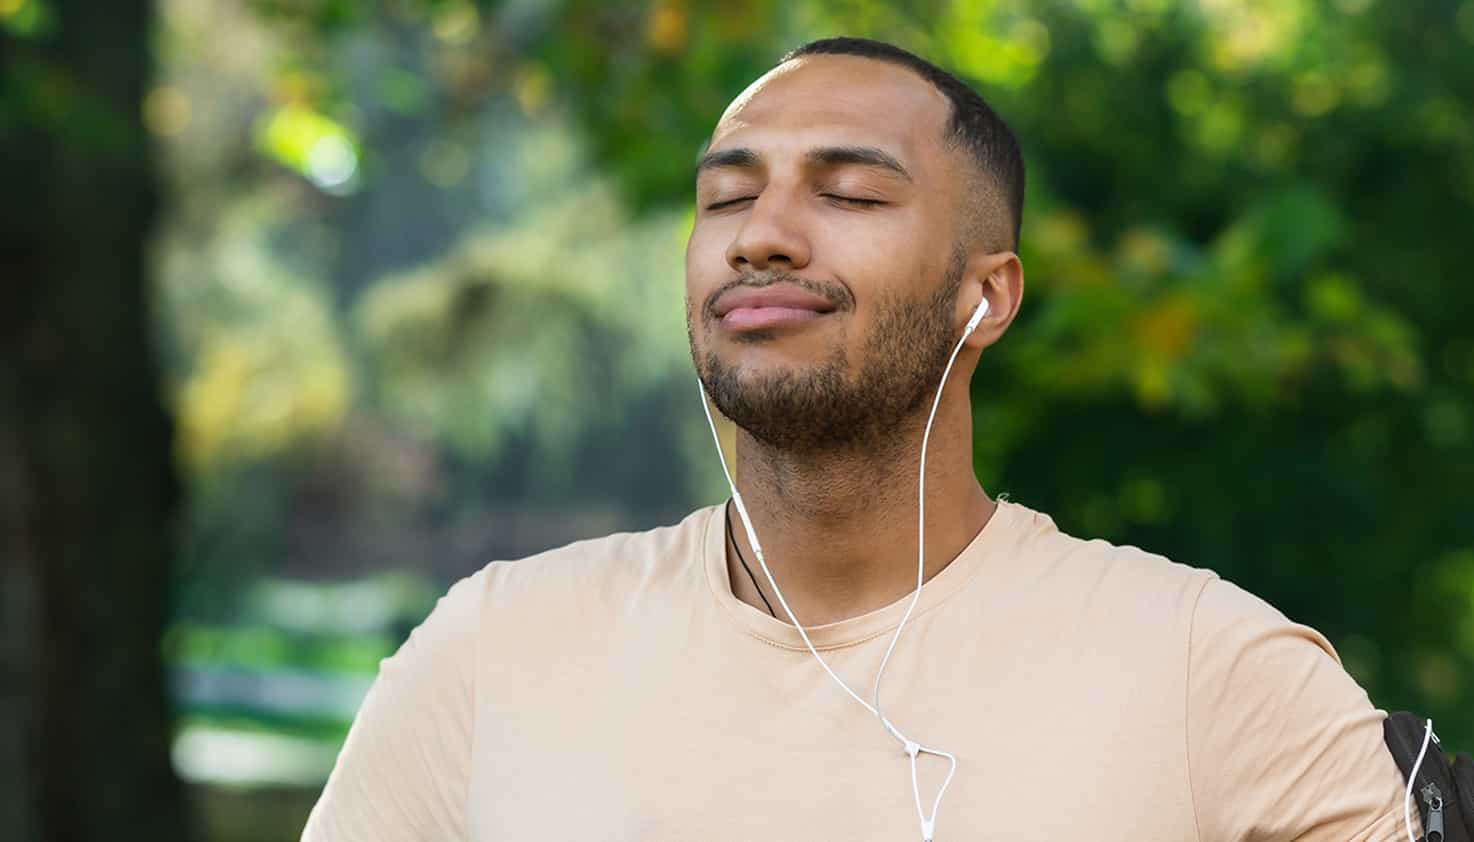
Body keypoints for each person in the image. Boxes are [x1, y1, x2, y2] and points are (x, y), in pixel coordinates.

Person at [302, 37, 1415, 841]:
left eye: (849, 194)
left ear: (986, 296)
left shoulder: (1208, 669)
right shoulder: (494, 649)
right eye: (726, 199)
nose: (764, 238)